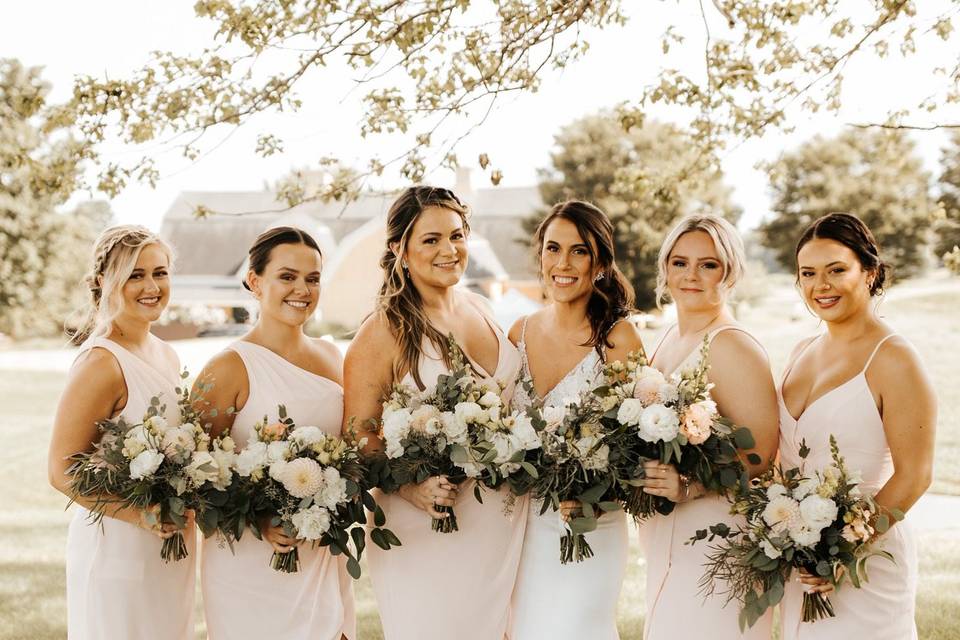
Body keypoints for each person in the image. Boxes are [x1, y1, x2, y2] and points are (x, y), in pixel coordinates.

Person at [343, 186, 526, 640]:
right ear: (399, 249)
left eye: (457, 235)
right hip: (426, 526)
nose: (449, 250)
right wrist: (410, 487)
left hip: (501, 523)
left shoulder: (481, 308)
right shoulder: (382, 332)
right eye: (431, 240)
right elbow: (357, 440)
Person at [778, 212, 935, 639]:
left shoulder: (894, 358)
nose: (820, 286)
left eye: (836, 270)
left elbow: (915, 476)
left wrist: (842, 551)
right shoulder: (801, 350)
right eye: (808, 273)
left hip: (866, 564)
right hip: (802, 562)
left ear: (870, 272)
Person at [197, 227, 354, 639]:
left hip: (320, 553)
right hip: (249, 564)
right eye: (287, 276)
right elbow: (193, 476)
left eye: (313, 279)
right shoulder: (228, 367)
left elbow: (352, 451)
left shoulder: (332, 357)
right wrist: (261, 518)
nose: (302, 289)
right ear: (254, 281)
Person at [48, 225, 195, 639]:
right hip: (118, 547)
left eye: (160, 272)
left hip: (168, 549)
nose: (151, 286)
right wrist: (139, 515)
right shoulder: (100, 362)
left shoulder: (166, 353)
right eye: (135, 275)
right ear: (102, 282)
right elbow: (62, 472)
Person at [508, 200, 645, 640]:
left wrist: (596, 494)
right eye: (553, 249)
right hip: (521, 526)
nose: (562, 263)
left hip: (590, 525)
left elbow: (640, 441)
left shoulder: (617, 338)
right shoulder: (519, 333)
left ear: (600, 263)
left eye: (579, 251)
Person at [641, 214, 779, 640]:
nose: (691, 275)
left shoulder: (732, 344)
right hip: (667, 536)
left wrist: (691, 484)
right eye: (680, 262)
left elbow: (762, 455)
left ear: (730, 270)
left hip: (715, 536)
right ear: (665, 268)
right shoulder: (668, 337)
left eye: (708, 264)